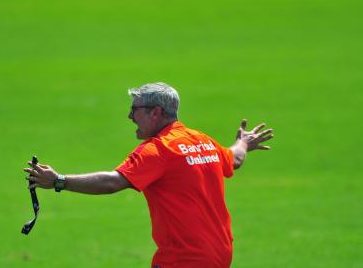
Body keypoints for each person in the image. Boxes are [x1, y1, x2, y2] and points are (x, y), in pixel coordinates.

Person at [24, 82, 274, 268]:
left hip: (183, 259)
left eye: (135, 110)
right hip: (218, 254)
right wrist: (243, 143)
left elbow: (113, 182)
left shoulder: (159, 149)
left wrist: (58, 181)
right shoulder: (202, 141)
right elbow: (235, 159)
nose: (130, 117)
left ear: (155, 112)